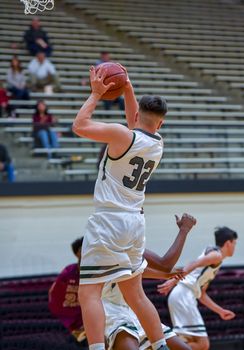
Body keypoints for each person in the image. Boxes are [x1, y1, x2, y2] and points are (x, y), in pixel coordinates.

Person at [73, 65, 169, 350]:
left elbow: (79, 126)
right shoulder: (157, 143)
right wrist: (126, 87)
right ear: (160, 124)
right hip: (136, 223)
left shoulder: (120, 134)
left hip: (109, 222)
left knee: (88, 293)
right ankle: (160, 345)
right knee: (135, 293)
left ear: (138, 114)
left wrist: (95, 94)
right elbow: (135, 122)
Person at [49, 213, 196, 350]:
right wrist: (184, 230)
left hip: (134, 311)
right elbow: (165, 263)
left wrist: (164, 275)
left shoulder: (125, 244)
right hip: (113, 315)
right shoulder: (106, 247)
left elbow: (136, 271)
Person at [157, 227, 238, 350]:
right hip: (183, 295)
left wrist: (220, 311)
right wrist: (174, 280)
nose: (235, 247)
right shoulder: (216, 255)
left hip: (183, 295)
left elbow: (202, 294)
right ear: (228, 243)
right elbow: (193, 263)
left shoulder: (215, 257)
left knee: (186, 343)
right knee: (202, 344)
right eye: (234, 243)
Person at [48, 237, 86, 344]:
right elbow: (53, 295)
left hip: (89, 319)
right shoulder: (68, 273)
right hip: (69, 322)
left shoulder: (98, 272)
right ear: (79, 252)